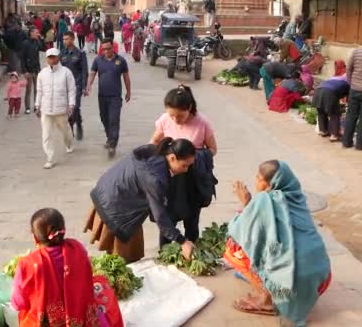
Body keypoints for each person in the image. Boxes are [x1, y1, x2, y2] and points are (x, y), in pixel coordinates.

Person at [225, 160, 331, 326]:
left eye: (258, 178)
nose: (255, 181)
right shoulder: (296, 195)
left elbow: (237, 230)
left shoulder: (264, 200)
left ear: (268, 185)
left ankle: (267, 300)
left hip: (289, 287)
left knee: (233, 248)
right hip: (321, 280)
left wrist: (247, 203)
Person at [84, 138, 197, 263]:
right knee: (122, 259)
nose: (186, 170)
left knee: (131, 252)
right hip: (115, 207)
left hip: (108, 191)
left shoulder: (154, 151)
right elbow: (159, 215)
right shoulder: (154, 178)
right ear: (172, 158)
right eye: (184, 165)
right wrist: (182, 241)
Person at [11, 208, 105, 326]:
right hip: (81, 318)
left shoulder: (27, 264)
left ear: (35, 237)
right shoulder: (77, 248)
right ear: (63, 230)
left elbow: (18, 303)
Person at [150, 86, 218, 245]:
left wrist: (193, 158)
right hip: (170, 178)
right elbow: (154, 143)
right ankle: (165, 253)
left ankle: (192, 250)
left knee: (192, 220)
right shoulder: (164, 120)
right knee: (168, 218)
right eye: (171, 115)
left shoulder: (202, 123)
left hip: (192, 179)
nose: (175, 120)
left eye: (179, 116)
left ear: (189, 108)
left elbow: (213, 149)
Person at [86, 39, 131, 159]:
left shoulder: (120, 61)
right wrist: (88, 85)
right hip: (102, 96)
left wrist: (128, 91)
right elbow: (92, 73)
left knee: (114, 120)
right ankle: (109, 138)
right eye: (104, 49)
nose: (106, 51)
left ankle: (112, 144)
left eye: (108, 48)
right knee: (104, 118)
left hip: (115, 96)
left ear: (113, 47)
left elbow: (126, 77)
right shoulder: (97, 60)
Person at [35, 48, 76, 170]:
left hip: (61, 109)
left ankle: (69, 144)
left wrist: (71, 105)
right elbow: (39, 91)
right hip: (46, 109)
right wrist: (37, 105)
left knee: (65, 132)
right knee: (46, 135)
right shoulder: (42, 73)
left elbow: (72, 89)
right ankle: (50, 158)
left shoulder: (66, 72)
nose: (51, 59)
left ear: (58, 57)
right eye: (49, 57)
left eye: (53, 57)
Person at [61, 32, 88, 141]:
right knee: (68, 109)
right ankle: (71, 129)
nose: (64, 41)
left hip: (76, 84)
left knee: (75, 107)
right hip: (64, 86)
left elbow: (84, 70)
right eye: (63, 39)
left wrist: (84, 86)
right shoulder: (62, 53)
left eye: (67, 39)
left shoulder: (80, 53)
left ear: (72, 39)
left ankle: (78, 125)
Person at [312, 74, 350, 142]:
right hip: (329, 93)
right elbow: (348, 98)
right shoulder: (347, 84)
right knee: (334, 114)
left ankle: (323, 131)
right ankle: (334, 135)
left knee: (321, 112)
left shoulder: (334, 80)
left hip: (318, 91)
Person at [20, 27, 46, 114]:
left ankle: (36, 106)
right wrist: (24, 71)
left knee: (37, 89)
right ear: (31, 33)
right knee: (28, 89)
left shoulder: (37, 42)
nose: (37, 34)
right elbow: (22, 58)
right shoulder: (25, 43)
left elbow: (44, 49)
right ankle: (27, 107)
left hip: (36, 69)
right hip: (29, 70)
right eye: (36, 32)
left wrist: (41, 39)